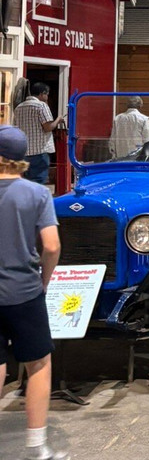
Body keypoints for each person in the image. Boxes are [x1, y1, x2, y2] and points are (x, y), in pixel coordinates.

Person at [0, 125, 69, 460]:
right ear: (21, 158)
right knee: (38, 364)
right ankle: (36, 447)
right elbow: (52, 246)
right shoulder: (37, 194)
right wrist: (44, 279)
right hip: (24, 291)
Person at [13, 83, 64, 186]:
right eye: (47, 94)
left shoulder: (19, 107)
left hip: (25, 151)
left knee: (27, 182)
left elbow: (16, 127)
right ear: (42, 94)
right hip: (40, 151)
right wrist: (58, 119)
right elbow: (48, 127)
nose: (47, 97)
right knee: (39, 182)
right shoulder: (41, 106)